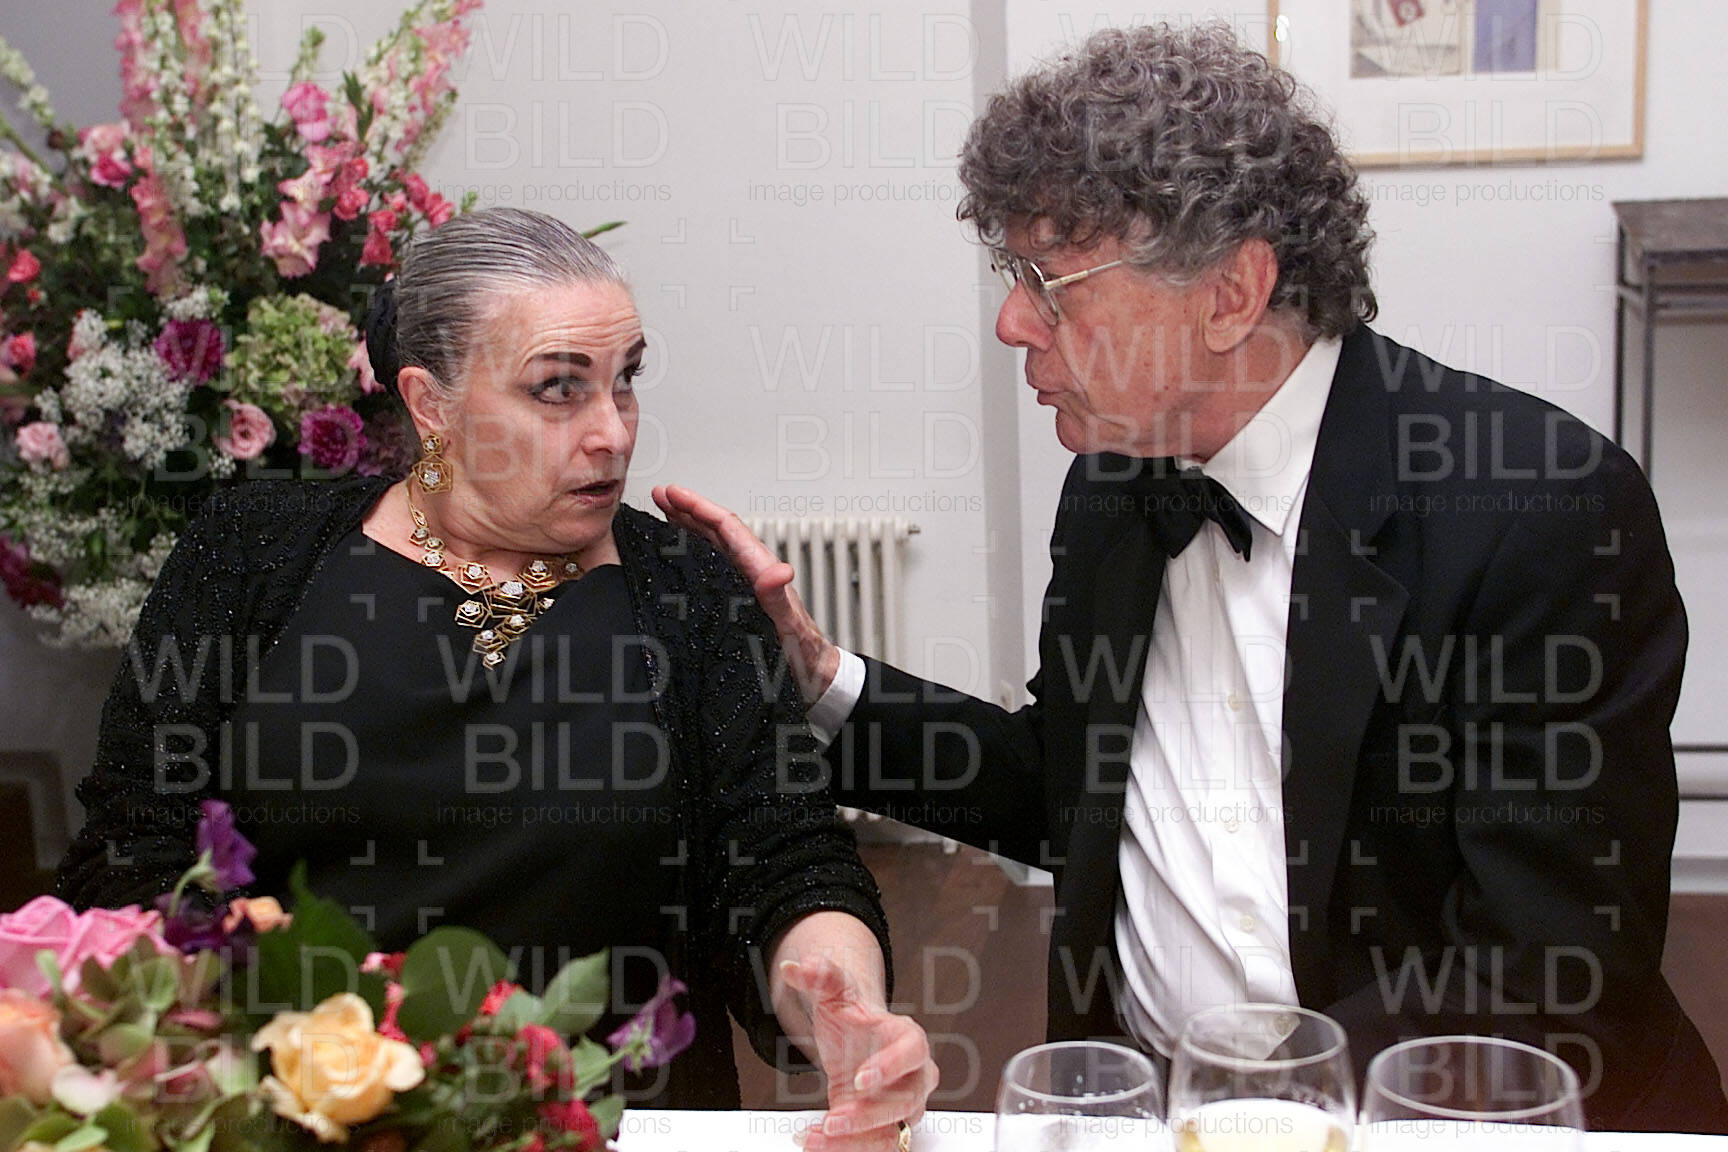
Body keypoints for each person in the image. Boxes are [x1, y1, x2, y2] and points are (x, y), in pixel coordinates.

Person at [656, 23, 1728, 1132]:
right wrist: (820, 677)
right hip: (1150, 1114)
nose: (1013, 322)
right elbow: (1071, 788)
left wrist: (1248, 1105)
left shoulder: (1535, 511)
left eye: (1050, 281)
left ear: (1231, 294)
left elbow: (1547, 975)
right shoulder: (1118, 480)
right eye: (1013, 275)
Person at [58, 207, 936, 1145]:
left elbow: (787, 858)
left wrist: (844, 1006)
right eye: (559, 389)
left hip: (603, 1124)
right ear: (430, 403)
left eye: (626, 379)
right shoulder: (252, 553)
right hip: (297, 1116)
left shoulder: (689, 588)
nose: (613, 433)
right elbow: (135, 845)